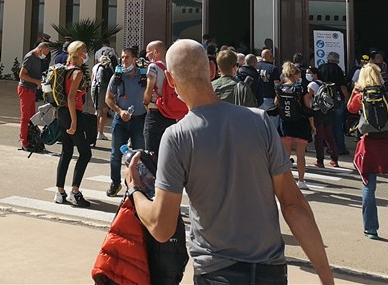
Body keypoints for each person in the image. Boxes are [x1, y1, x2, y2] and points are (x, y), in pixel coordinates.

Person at [126, 38, 334, 285]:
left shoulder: (177, 136)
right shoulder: (260, 121)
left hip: (216, 272)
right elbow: (294, 206)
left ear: (170, 80)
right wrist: (326, 278)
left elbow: (162, 228)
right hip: (270, 272)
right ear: (211, 70)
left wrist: (135, 189)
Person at [346, 62, 388, 241]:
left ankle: (371, 229)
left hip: (369, 144)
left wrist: (355, 91)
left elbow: (350, 109)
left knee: (369, 185)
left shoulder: (361, 95)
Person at [54, 40, 92, 207]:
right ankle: (75, 192)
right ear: (80, 53)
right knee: (85, 153)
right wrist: (74, 122)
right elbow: (71, 97)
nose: (86, 54)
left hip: (62, 113)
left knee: (66, 152)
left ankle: (60, 192)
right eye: (85, 51)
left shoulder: (66, 69)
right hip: (72, 113)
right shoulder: (77, 73)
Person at [105, 47, 147, 197]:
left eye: (127, 57)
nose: (124, 60)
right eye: (122, 57)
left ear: (135, 59)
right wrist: (120, 111)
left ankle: (138, 185)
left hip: (139, 120)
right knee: (116, 154)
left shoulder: (143, 76)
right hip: (120, 121)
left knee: (139, 155)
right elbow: (108, 98)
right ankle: (115, 183)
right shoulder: (117, 77)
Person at [275, 62, 314, 191]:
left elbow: (276, 103)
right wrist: (312, 124)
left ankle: (286, 180)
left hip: (285, 124)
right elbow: (307, 107)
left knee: (286, 155)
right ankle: (301, 180)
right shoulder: (300, 88)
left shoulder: (280, 88)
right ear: (296, 74)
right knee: (300, 155)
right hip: (300, 124)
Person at [143, 40, 176, 158]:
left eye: (148, 52)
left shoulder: (153, 67)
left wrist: (145, 102)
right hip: (171, 113)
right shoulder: (172, 67)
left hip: (155, 112)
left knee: (151, 153)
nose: (146, 55)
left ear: (155, 52)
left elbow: (149, 88)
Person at [18, 40, 52, 150]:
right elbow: (22, 75)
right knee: (25, 118)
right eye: (44, 54)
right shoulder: (30, 57)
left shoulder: (37, 58)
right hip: (26, 89)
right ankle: (24, 142)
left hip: (32, 89)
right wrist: (36, 82)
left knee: (32, 117)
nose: (44, 56)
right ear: (40, 50)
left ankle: (30, 138)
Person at [316, 51, 351, 155]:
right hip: (337, 100)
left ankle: (329, 147)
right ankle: (340, 147)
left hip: (324, 100)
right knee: (338, 125)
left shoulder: (321, 68)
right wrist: (348, 98)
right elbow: (342, 86)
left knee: (327, 125)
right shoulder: (337, 69)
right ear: (337, 60)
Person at [305, 66, 339, 169]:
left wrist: (308, 110)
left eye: (309, 73)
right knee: (329, 136)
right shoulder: (324, 84)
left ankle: (320, 160)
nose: (307, 75)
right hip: (327, 112)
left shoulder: (312, 85)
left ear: (315, 74)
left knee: (318, 137)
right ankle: (334, 159)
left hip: (317, 112)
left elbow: (308, 98)